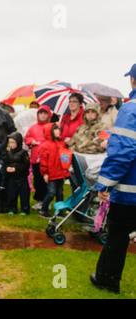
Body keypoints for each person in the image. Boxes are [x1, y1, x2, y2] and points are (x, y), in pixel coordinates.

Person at [91, 63, 136, 294]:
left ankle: (107, 279)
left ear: (133, 81)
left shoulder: (130, 109)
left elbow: (123, 152)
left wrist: (105, 183)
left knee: (117, 238)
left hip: (130, 192)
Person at [38, 123, 70, 218]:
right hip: (51, 174)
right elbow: (43, 161)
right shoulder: (45, 146)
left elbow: (65, 157)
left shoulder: (61, 144)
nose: (58, 131)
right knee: (51, 193)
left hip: (60, 174)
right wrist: (45, 173)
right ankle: (43, 210)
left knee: (60, 193)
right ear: (49, 132)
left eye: (59, 129)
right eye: (55, 129)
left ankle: (59, 212)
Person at [24, 105, 52, 210]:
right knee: (37, 180)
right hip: (36, 159)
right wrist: (31, 141)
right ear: (38, 115)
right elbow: (27, 137)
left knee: (46, 181)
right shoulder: (33, 127)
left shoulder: (50, 127)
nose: (43, 115)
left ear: (48, 115)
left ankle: (46, 201)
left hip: (47, 159)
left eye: (45, 113)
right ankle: (39, 200)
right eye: (41, 113)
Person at [4, 132, 31, 215]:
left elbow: (26, 165)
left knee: (24, 194)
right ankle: (12, 208)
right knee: (12, 194)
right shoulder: (9, 153)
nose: (11, 144)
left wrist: (16, 169)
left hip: (21, 177)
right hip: (12, 177)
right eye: (10, 142)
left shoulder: (23, 153)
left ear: (18, 142)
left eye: (13, 142)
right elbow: (6, 162)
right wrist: (7, 167)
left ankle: (25, 209)